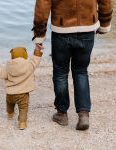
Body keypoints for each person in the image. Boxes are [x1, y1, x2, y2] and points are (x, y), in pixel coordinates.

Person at [32, 0, 113, 130]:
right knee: (81, 71)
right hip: (87, 28)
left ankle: (62, 113)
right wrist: (104, 23)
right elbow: (105, 2)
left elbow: (43, 5)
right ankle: (83, 114)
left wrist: (39, 35)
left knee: (60, 73)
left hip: (61, 30)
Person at [0, 46, 43, 130]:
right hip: (23, 94)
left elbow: (1, 73)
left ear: (12, 55)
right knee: (23, 108)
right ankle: (22, 123)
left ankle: (10, 114)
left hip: (10, 94)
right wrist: (37, 50)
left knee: (9, 104)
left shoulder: (8, 67)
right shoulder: (29, 65)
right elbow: (36, 59)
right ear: (25, 54)